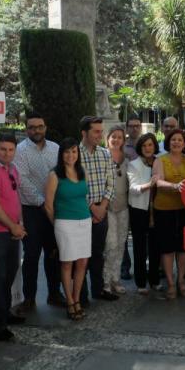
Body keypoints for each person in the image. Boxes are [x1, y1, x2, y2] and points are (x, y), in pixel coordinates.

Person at [14, 112, 64, 313]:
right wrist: (43, 202)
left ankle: (54, 293)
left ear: (45, 127)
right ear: (26, 129)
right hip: (31, 211)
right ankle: (29, 298)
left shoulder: (56, 148)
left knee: (54, 253)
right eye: (32, 127)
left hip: (54, 209)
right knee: (32, 255)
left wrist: (54, 203)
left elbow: (62, 174)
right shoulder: (20, 151)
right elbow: (22, 181)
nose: (36, 130)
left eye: (40, 126)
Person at [0, 133, 27, 342]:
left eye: (11, 149)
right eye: (3, 149)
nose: (7, 153)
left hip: (12, 230)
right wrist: (12, 226)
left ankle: (6, 313)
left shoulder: (12, 168)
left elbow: (15, 197)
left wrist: (19, 224)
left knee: (9, 275)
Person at [45, 138, 91, 321]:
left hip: (84, 222)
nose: (70, 155)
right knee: (67, 263)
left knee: (82, 263)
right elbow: (48, 206)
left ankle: (77, 298)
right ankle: (70, 302)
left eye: (74, 151)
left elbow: (84, 197)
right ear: (61, 154)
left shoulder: (82, 172)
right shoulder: (54, 175)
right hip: (65, 223)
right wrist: (57, 224)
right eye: (66, 152)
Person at [78, 116, 115, 302]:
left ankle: (98, 289)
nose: (100, 135)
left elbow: (111, 182)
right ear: (84, 133)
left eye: (101, 131)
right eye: (96, 131)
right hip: (82, 214)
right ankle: (81, 295)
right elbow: (73, 184)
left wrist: (103, 207)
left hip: (102, 212)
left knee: (98, 253)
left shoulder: (105, 153)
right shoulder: (73, 154)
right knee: (81, 256)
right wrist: (92, 207)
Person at [152, 129, 185, 299]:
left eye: (180, 140)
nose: (176, 142)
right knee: (167, 248)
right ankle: (170, 283)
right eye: (173, 140)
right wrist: (175, 186)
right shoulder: (160, 160)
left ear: (184, 143)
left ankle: (181, 280)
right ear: (168, 142)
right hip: (164, 209)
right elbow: (157, 181)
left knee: (183, 247)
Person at [127, 133, 161, 294]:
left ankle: (154, 280)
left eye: (150, 145)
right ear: (140, 148)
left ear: (155, 146)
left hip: (158, 209)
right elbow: (133, 189)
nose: (147, 148)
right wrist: (149, 184)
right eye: (144, 145)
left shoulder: (159, 162)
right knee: (140, 247)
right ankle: (141, 282)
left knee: (156, 247)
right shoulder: (133, 164)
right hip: (139, 209)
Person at [103, 126, 130, 296]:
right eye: (113, 136)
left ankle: (116, 278)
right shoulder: (102, 157)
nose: (116, 140)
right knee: (110, 244)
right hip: (108, 207)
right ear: (108, 138)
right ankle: (105, 280)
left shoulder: (127, 160)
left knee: (121, 244)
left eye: (119, 137)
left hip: (124, 206)